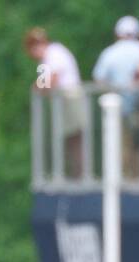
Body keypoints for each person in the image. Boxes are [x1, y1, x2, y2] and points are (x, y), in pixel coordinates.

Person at [24, 27, 85, 175]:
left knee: (75, 138)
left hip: (70, 98)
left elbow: (50, 80)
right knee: (69, 139)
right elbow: (43, 82)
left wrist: (38, 87)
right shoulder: (45, 60)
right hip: (64, 101)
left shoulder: (54, 52)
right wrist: (39, 86)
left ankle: (80, 174)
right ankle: (75, 173)